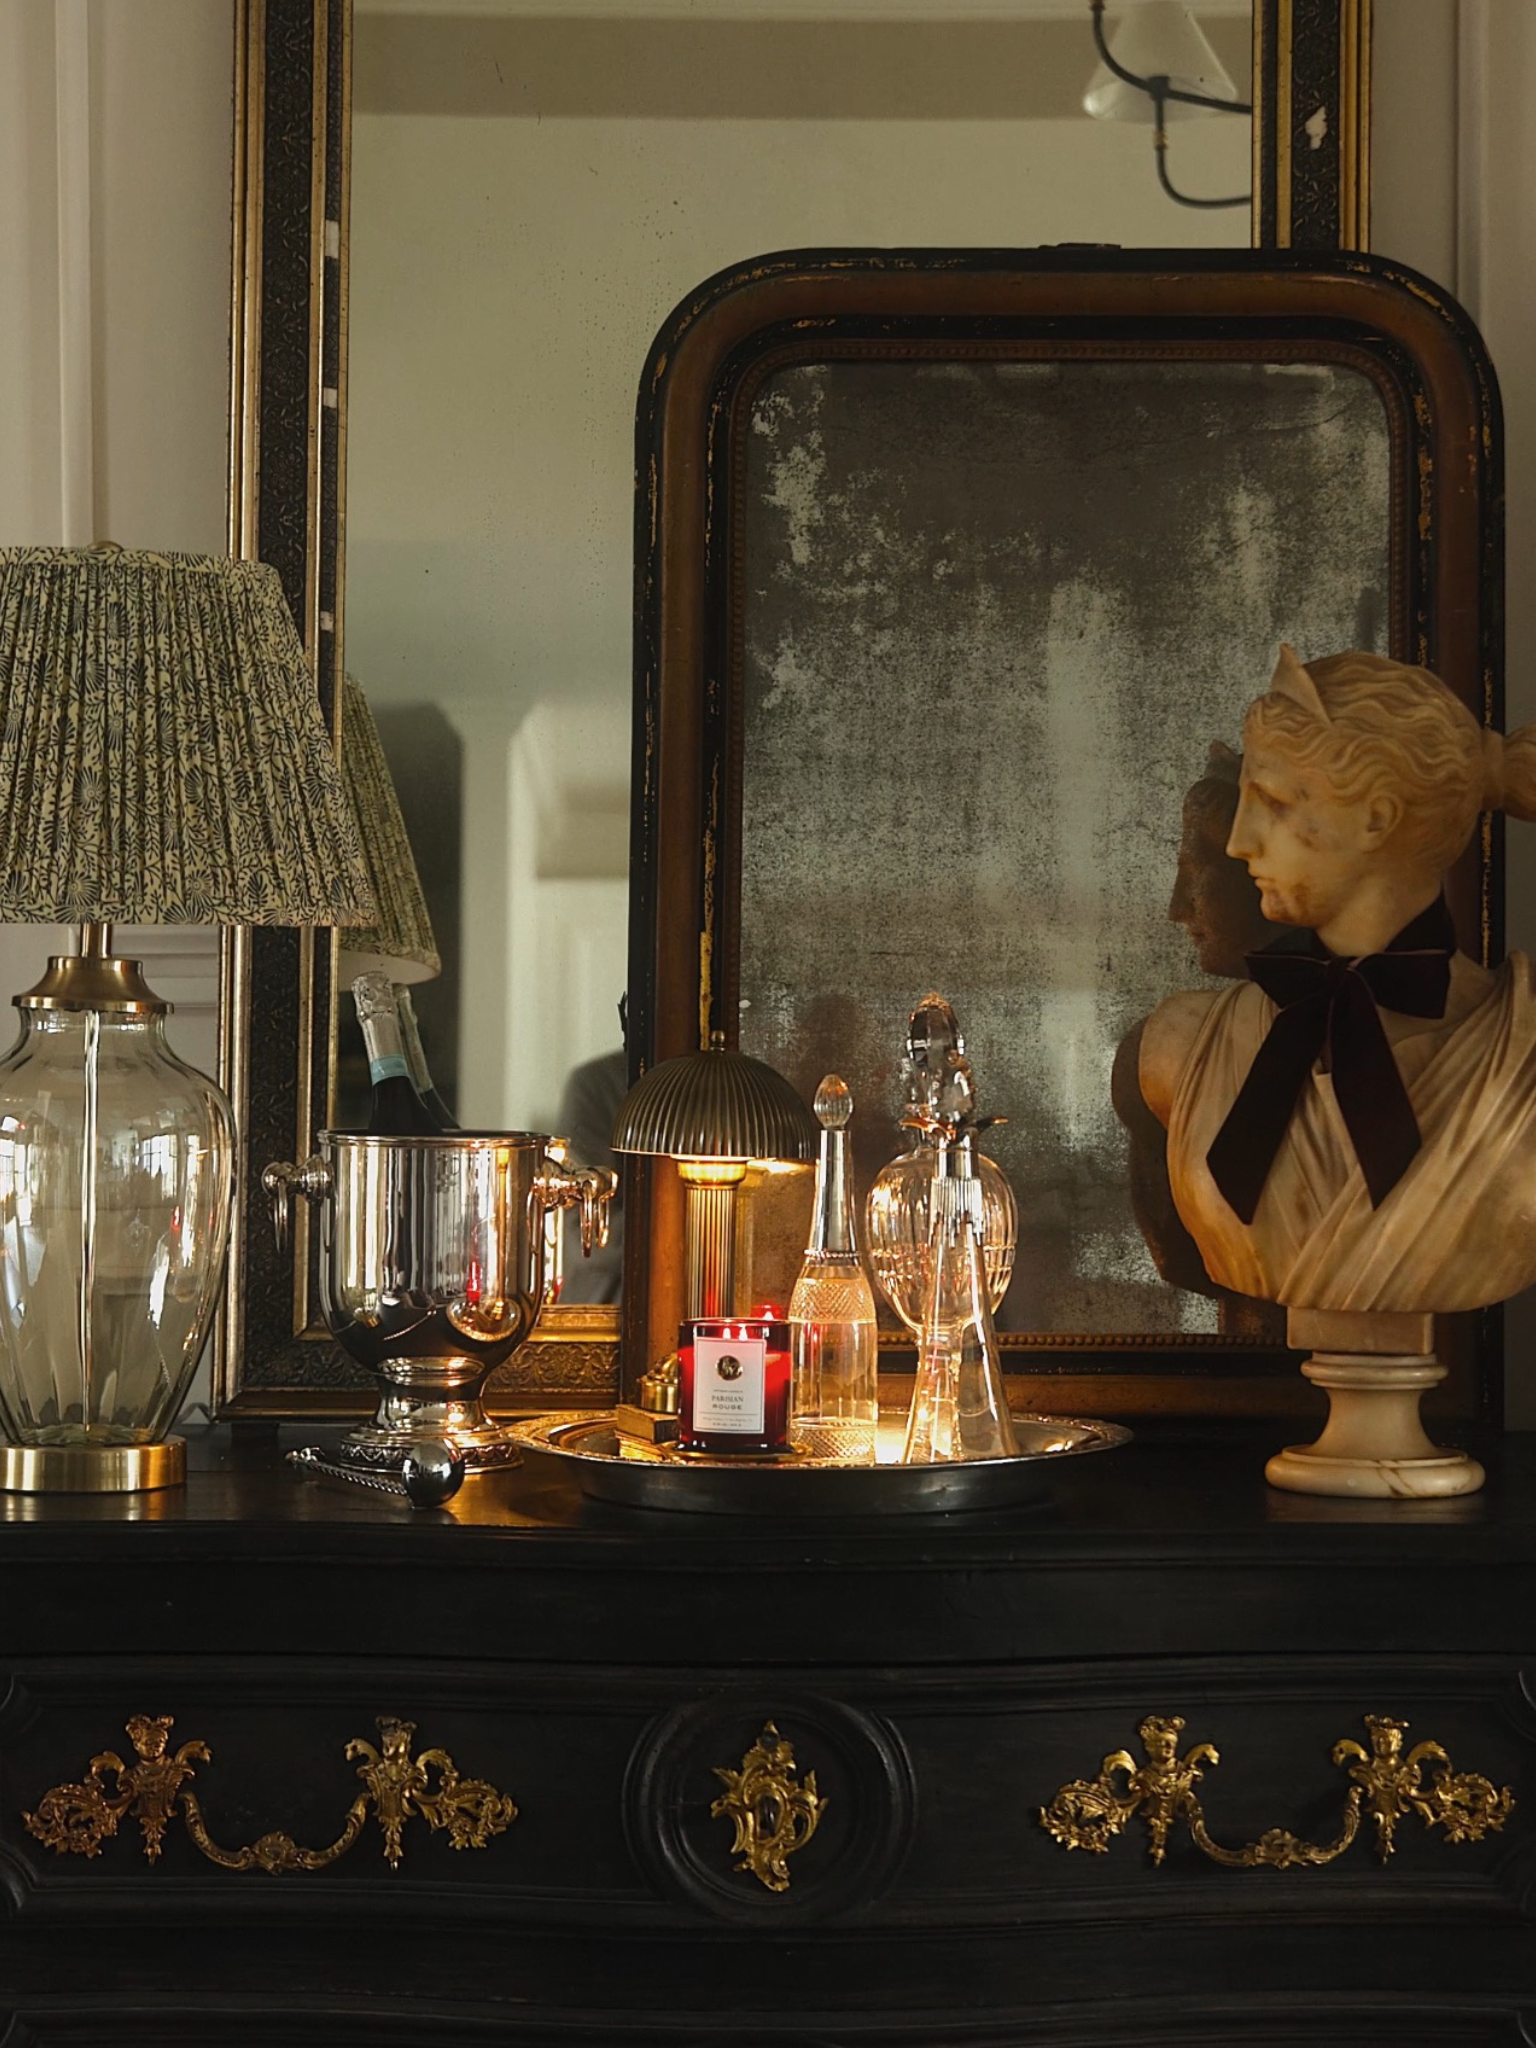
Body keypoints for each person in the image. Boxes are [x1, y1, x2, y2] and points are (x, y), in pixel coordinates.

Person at [1140, 645, 1536, 1315]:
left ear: (1377, 817)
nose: (1239, 842)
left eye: (1272, 800)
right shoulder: (1183, 1049)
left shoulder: (1519, 1054)